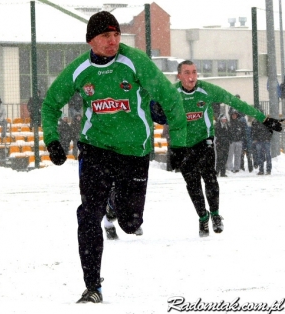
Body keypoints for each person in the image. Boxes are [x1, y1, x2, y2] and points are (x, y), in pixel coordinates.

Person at [41, 11, 187, 304]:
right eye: (106, 36)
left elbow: (171, 99)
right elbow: (49, 105)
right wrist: (52, 139)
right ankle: (92, 286)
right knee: (87, 216)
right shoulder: (79, 69)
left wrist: (179, 144)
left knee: (131, 223)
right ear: (91, 41)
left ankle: (114, 205)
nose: (113, 41)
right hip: (95, 149)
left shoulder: (135, 62)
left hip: (134, 150)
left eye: (117, 35)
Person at [152, 60, 282, 238]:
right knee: (193, 184)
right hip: (181, 145)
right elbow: (147, 106)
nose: (191, 77)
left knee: (210, 177)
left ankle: (215, 214)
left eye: (194, 72)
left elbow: (236, 102)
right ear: (179, 76)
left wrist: (265, 119)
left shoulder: (207, 90)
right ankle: (202, 217)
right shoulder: (171, 92)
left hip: (204, 140)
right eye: (187, 73)